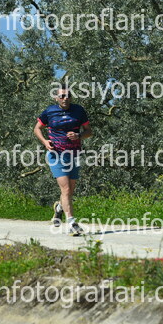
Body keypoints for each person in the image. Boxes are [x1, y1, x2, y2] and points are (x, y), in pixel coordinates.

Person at [33, 86, 92, 236]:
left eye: (68, 96)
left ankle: (59, 207)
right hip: (56, 155)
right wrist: (45, 142)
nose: (65, 98)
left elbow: (89, 131)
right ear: (56, 98)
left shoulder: (78, 110)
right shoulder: (49, 111)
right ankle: (72, 223)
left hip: (74, 155)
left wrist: (79, 136)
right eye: (62, 96)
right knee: (65, 190)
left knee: (70, 191)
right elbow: (37, 128)